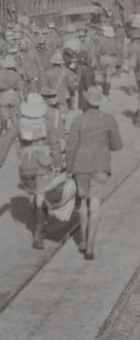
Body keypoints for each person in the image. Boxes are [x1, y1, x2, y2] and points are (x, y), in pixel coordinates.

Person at [0, 93, 63, 249]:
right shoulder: (47, 123)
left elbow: (7, 142)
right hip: (43, 165)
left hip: (25, 165)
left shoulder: (18, 123)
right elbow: (55, 146)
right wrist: (58, 166)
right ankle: (37, 234)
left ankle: (35, 211)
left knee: (34, 194)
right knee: (41, 198)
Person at [66, 86, 123, 260]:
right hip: (100, 167)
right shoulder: (108, 120)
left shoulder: (78, 120)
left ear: (87, 101)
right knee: (95, 205)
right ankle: (90, 245)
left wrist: (69, 169)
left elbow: (70, 148)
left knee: (83, 204)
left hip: (81, 166)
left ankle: (82, 240)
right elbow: (117, 145)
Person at [0, 55, 25, 133]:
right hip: (14, 95)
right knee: (15, 116)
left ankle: (4, 131)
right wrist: (22, 100)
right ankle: (13, 132)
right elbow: (21, 89)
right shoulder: (16, 74)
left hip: (3, 95)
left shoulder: (0, 74)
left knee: (4, 115)